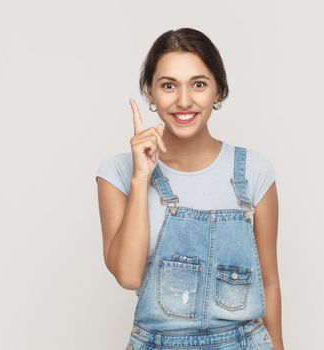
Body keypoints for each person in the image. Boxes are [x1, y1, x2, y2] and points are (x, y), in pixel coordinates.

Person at [96, 28, 284, 350]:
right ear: (150, 92)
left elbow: (268, 281)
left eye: (199, 84)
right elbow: (128, 276)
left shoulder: (253, 172)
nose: (184, 101)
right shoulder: (118, 172)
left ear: (218, 91)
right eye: (168, 86)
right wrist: (141, 178)